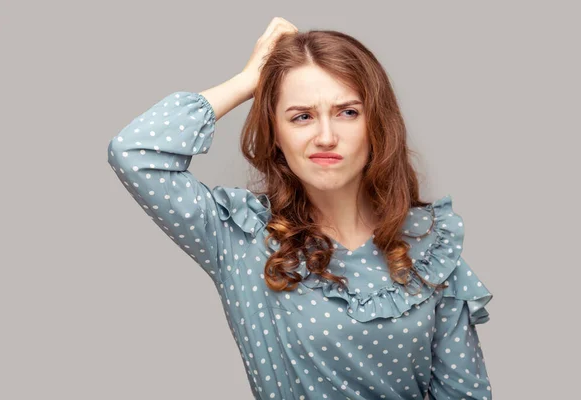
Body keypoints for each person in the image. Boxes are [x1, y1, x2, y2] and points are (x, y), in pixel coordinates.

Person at [107, 17, 493, 400]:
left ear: (376, 124)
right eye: (302, 117)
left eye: (348, 112)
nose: (326, 137)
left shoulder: (429, 243)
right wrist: (248, 81)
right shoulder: (242, 237)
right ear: (275, 132)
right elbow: (135, 153)